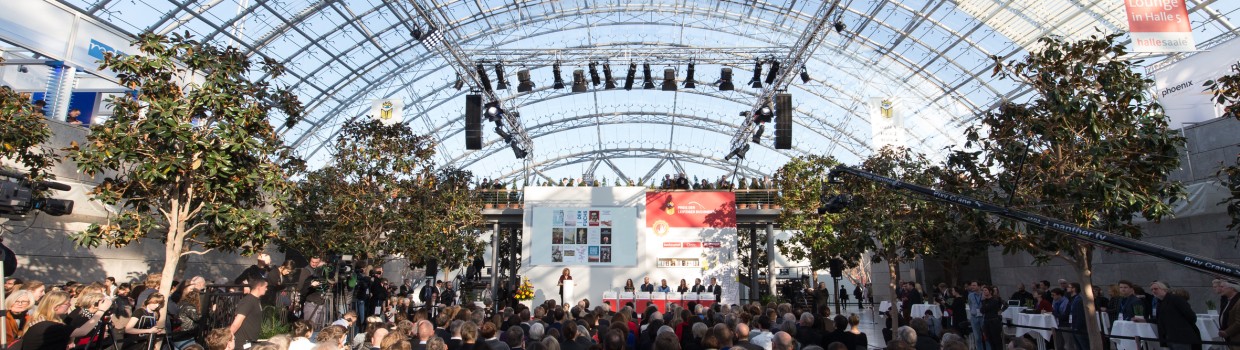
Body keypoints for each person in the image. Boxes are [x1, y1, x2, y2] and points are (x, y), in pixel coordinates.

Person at [1143, 281, 1201, 350]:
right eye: (1151, 290)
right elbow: (1160, 319)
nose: (1153, 291)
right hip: (1169, 338)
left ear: (1164, 289)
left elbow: (1191, 316)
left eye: (1156, 289)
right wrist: (1145, 320)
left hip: (1181, 337)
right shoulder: (1160, 303)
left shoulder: (1175, 298)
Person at [230, 279, 267, 350]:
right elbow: (237, 322)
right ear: (259, 287)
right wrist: (228, 338)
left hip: (251, 341)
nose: (266, 289)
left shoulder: (256, 300)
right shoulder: (248, 301)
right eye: (265, 286)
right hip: (243, 343)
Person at [298, 257, 330, 324]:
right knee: (309, 326)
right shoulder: (307, 271)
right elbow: (301, 288)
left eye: (316, 262)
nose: (314, 264)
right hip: (311, 303)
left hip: (321, 302)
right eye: (312, 262)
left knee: (318, 327)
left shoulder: (323, 271)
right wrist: (311, 285)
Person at [979, 285, 1003, 350]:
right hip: (986, 322)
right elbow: (982, 310)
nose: (984, 292)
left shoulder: (994, 300)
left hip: (994, 322)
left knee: (997, 340)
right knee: (990, 340)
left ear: (990, 291)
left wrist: (985, 306)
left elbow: (988, 308)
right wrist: (984, 302)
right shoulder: (984, 301)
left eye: (985, 290)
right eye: (983, 291)